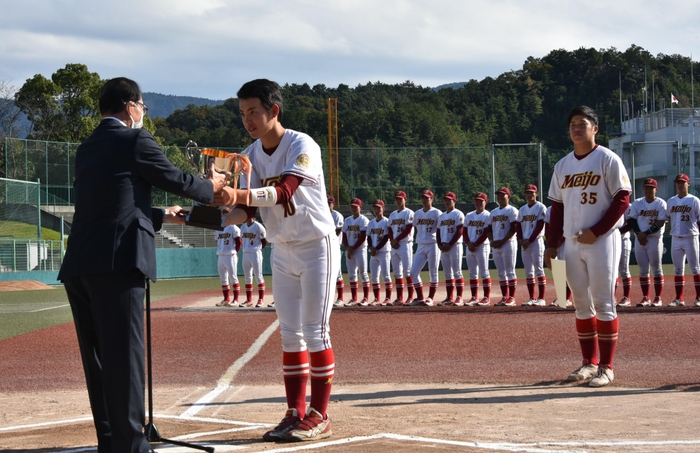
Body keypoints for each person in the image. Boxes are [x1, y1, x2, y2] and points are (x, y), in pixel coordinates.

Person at [58, 77, 229, 453]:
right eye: (143, 108)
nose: (143, 114)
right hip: (117, 262)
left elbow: (111, 202)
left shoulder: (87, 148)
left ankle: (113, 441)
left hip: (80, 264)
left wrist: (162, 215)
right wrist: (211, 186)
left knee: (99, 361)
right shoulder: (134, 139)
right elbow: (174, 178)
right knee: (126, 356)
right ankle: (133, 445)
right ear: (130, 106)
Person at [216, 79, 340, 442]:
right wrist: (203, 212)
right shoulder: (248, 155)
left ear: (274, 111)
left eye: (253, 111)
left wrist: (234, 193)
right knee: (290, 335)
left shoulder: (302, 144)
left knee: (315, 333)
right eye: (242, 113)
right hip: (282, 249)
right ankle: (294, 412)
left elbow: (284, 190)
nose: (248, 120)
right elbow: (244, 210)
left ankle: (320, 415)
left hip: (317, 245)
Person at [545, 105, 631, 388]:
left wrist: (597, 231)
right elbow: (556, 209)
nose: (576, 128)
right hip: (570, 243)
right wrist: (551, 244)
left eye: (582, 123)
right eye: (572, 124)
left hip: (602, 241)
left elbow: (622, 199)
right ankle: (588, 363)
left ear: (595, 128)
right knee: (581, 304)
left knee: (604, 302)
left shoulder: (608, 159)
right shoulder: (562, 165)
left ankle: (606, 367)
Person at [627, 178, 667, 307]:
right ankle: (645, 297)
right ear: (643, 189)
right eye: (646, 188)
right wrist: (640, 234)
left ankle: (658, 298)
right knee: (643, 270)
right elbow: (632, 220)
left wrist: (645, 233)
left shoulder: (661, 203)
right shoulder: (637, 203)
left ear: (656, 189)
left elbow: (660, 223)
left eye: (651, 188)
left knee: (656, 269)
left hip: (654, 239)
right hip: (640, 239)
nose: (648, 190)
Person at [665, 173, 700, 307]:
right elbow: (667, 219)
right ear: (676, 184)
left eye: (683, 182)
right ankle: (679, 298)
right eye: (678, 182)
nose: (680, 185)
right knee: (678, 269)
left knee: (695, 268)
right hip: (675, 238)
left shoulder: (694, 200)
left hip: (691, 237)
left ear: (688, 184)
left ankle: (698, 297)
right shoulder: (671, 201)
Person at [408, 190, 442, 306]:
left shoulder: (437, 213)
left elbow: (440, 230)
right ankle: (420, 298)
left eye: (427, 198)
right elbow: (410, 226)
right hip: (421, 245)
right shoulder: (417, 213)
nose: (424, 200)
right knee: (413, 272)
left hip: (433, 244)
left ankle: (430, 298)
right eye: (423, 198)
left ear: (432, 199)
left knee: (433, 272)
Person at [516, 184, 547, 306]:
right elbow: (518, 226)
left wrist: (530, 239)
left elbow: (540, 225)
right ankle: (532, 298)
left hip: (536, 242)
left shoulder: (540, 207)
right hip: (525, 243)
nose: (530, 195)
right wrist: (520, 239)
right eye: (528, 192)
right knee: (528, 271)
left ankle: (542, 298)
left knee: (539, 269)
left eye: (532, 192)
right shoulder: (522, 209)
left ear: (537, 194)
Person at [489, 186, 519, 306]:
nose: (500, 197)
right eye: (499, 195)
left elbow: (514, 228)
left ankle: (511, 297)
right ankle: (504, 297)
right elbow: (489, 228)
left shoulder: (512, 210)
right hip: (496, 244)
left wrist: (502, 241)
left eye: (503, 195)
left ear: (508, 196)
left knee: (510, 271)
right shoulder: (493, 212)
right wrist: (491, 240)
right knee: (501, 272)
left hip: (508, 243)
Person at [463, 192, 492, 306]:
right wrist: (468, 243)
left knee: (484, 272)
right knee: (472, 273)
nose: (478, 203)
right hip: (470, 246)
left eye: (481, 201)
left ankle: (486, 297)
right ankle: (474, 297)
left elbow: (486, 232)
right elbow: (464, 232)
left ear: (486, 202)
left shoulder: (488, 215)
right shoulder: (469, 215)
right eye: (476, 201)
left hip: (482, 246)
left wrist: (475, 244)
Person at [437, 192, 465, 306]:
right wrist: (439, 244)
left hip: (455, 246)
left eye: (449, 200)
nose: (447, 202)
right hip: (444, 246)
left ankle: (459, 297)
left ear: (454, 201)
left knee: (457, 271)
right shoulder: (442, 216)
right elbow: (438, 232)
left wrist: (450, 244)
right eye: (446, 200)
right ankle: (449, 297)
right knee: (447, 273)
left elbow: (460, 231)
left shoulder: (458, 214)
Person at [388, 190, 415, 305]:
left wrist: (396, 240)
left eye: (401, 199)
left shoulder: (409, 213)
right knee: (397, 273)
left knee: (408, 271)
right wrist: (392, 240)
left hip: (405, 243)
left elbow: (408, 229)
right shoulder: (393, 214)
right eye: (397, 199)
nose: (399, 201)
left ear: (405, 200)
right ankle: (399, 298)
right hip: (394, 245)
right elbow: (389, 228)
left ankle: (411, 297)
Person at [342, 198, 371, 306]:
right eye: (352, 206)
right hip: (349, 249)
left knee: (363, 273)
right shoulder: (347, 220)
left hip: (360, 249)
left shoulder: (363, 220)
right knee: (351, 275)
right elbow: (344, 236)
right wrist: (347, 247)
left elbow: (363, 236)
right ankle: (354, 298)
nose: (354, 208)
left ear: (360, 207)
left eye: (356, 206)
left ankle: (366, 298)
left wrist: (352, 248)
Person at [544, 206, 572, 307]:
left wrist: (560, 241)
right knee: (559, 269)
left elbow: (570, 226)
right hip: (555, 243)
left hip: (568, 240)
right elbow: (547, 227)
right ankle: (561, 297)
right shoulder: (550, 209)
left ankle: (567, 298)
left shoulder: (569, 206)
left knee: (568, 269)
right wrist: (551, 243)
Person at [366, 199, 393, 305]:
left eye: (379, 208)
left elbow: (386, 237)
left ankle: (388, 298)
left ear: (383, 209)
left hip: (384, 251)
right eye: (375, 208)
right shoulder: (371, 222)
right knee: (374, 276)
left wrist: (375, 248)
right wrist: (371, 247)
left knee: (386, 275)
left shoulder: (386, 222)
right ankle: (377, 298)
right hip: (373, 252)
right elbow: (368, 237)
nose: (377, 210)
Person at [240, 217, 268, 307]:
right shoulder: (243, 227)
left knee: (258, 276)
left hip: (255, 253)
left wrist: (260, 250)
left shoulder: (258, 226)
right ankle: (249, 300)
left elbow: (264, 240)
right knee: (247, 277)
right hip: (245, 253)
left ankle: (261, 299)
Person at [215, 224, 242, 307]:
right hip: (221, 255)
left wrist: (235, 253)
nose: (224, 216)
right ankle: (226, 299)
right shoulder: (217, 228)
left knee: (233, 278)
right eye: (223, 214)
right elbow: (218, 241)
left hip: (230, 255)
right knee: (223, 279)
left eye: (226, 214)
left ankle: (236, 300)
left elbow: (239, 241)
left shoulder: (233, 227)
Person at [328, 196, 345, 306]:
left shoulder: (337, 215)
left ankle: (341, 298)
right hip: (324, 248)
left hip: (334, 247)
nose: (328, 205)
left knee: (337, 273)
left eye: (330, 203)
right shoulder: (321, 214)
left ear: (333, 204)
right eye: (326, 203)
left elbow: (337, 232)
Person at [615, 211, 633, 307]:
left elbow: (630, 225)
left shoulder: (628, 206)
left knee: (624, 270)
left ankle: (626, 297)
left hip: (623, 239)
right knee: (612, 270)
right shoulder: (607, 203)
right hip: (611, 240)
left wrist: (616, 232)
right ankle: (612, 296)